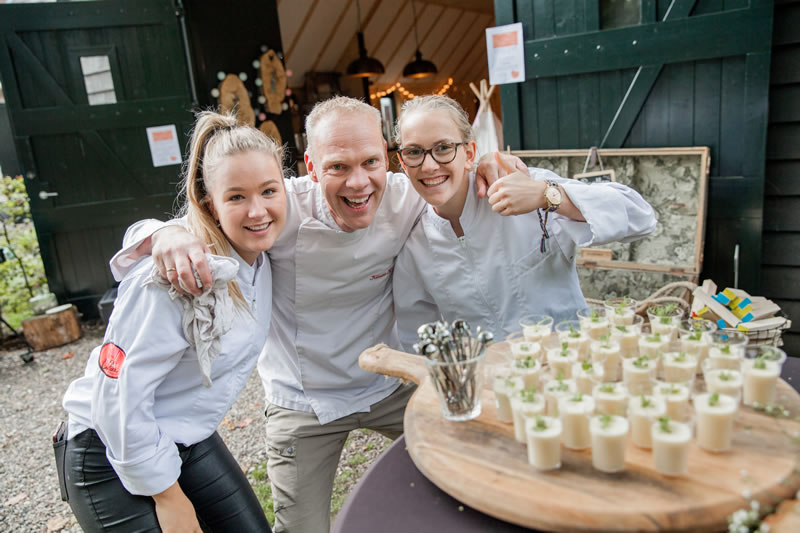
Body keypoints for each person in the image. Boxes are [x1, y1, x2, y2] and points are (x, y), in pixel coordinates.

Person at [107, 96, 520, 533]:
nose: (358, 183)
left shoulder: (405, 198)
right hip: (302, 401)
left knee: (467, 473)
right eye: (338, 167)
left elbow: (454, 184)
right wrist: (163, 231)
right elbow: (206, 217)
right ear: (310, 166)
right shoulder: (275, 209)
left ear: (388, 158)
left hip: (387, 385)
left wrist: (491, 163)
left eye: (370, 162)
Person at [57, 111, 286, 532]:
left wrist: (157, 230)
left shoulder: (260, 248)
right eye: (236, 197)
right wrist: (167, 496)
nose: (258, 211)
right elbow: (118, 398)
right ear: (208, 199)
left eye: (269, 190)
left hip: (185, 436)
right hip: (109, 447)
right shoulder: (171, 277)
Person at [392, 95, 657, 347]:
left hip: (570, 367)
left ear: (470, 154)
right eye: (414, 152)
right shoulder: (414, 250)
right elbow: (417, 341)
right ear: (403, 163)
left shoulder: (525, 185)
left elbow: (640, 216)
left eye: (443, 148)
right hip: (489, 384)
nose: (429, 166)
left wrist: (547, 195)